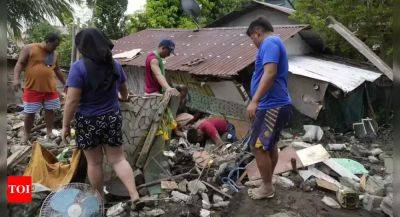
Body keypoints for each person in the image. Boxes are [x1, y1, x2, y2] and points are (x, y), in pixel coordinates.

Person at [61, 28, 140, 206]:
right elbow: (124, 91)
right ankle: (134, 194)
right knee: (118, 159)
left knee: (95, 163)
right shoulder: (115, 65)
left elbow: (72, 101)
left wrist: (65, 125)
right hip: (111, 118)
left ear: (83, 47)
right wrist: (124, 98)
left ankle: (100, 201)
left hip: (88, 121)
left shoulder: (78, 68)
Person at [245, 18, 293, 200]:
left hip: (271, 105)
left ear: (257, 32)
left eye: (252, 39)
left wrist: (254, 101)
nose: (254, 44)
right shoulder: (275, 42)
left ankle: (266, 187)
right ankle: (267, 182)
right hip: (275, 104)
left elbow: (270, 72)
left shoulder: (269, 42)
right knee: (268, 145)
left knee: (257, 147)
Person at [13, 32, 66, 145]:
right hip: (32, 87)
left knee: (50, 111)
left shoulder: (54, 53)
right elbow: (19, 64)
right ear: (47, 42)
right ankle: (27, 133)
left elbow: (57, 70)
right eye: (54, 45)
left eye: (57, 46)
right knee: (30, 112)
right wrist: (16, 79)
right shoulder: (30, 48)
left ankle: (49, 132)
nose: (55, 48)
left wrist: (66, 83)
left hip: (50, 88)